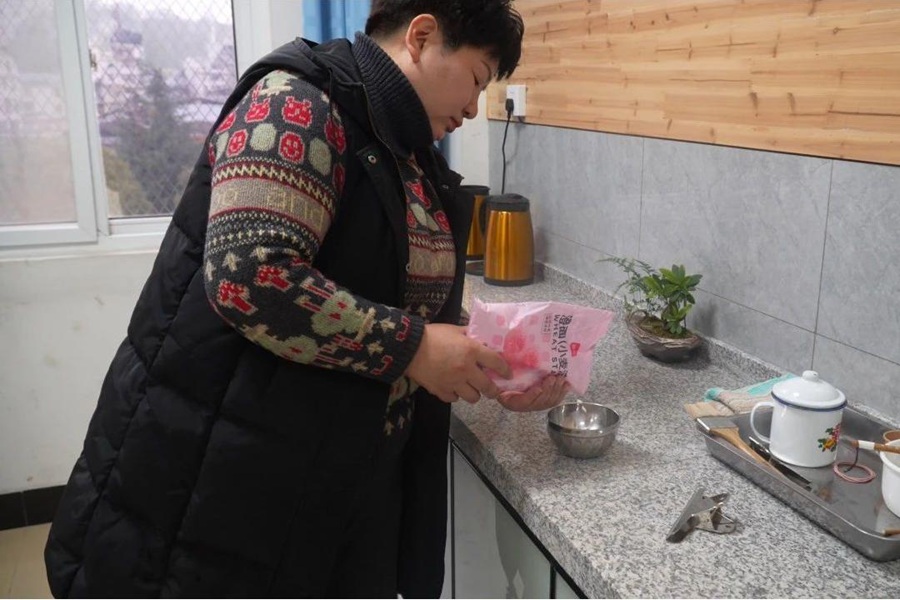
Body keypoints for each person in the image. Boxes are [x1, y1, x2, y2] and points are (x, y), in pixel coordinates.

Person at [44, 0, 568, 596]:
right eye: (476, 78)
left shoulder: (401, 148)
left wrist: (488, 356)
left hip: (333, 477)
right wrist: (417, 348)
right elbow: (249, 276)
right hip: (229, 478)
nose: (474, 109)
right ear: (422, 37)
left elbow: (393, 292)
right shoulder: (295, 104)